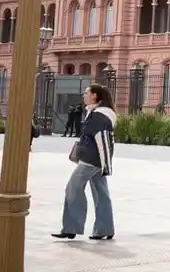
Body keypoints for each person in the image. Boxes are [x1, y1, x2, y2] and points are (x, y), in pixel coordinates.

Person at [54, 83, 117, 241]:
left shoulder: (99, 115)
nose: (83, 95)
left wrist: (106, 165)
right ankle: (104, 229)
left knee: (73, 188)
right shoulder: (96, 113)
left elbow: (104, 140)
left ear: (94, 96)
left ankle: (71, 228)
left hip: (92, 160)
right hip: (96, 159)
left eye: (86, 92)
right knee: (101, 193)